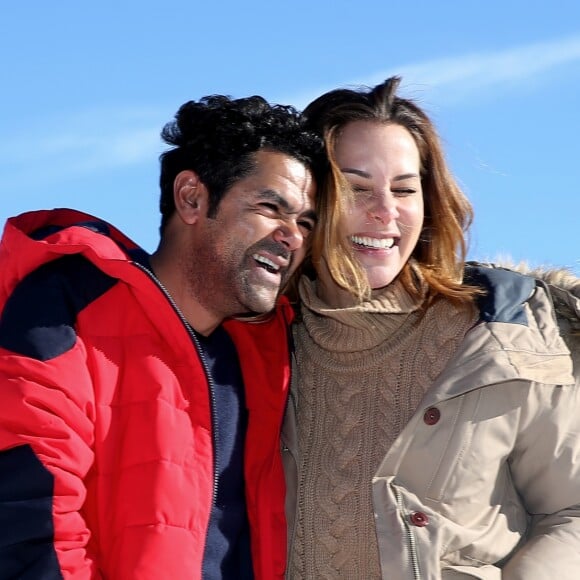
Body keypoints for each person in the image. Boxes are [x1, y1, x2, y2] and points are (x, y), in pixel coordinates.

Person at [0, 94, 326, 579]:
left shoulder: (269, 355)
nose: (294, 236)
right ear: (192, 198)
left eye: (304, 222)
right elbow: (31, 521)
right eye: (269, 207)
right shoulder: (67, 307)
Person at [282, 76, 580, 579]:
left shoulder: (507, 337)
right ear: (308, 200)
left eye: (404, 189)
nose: (385, 211)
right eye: (356, 188)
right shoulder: (255, 347)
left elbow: (572, 511)